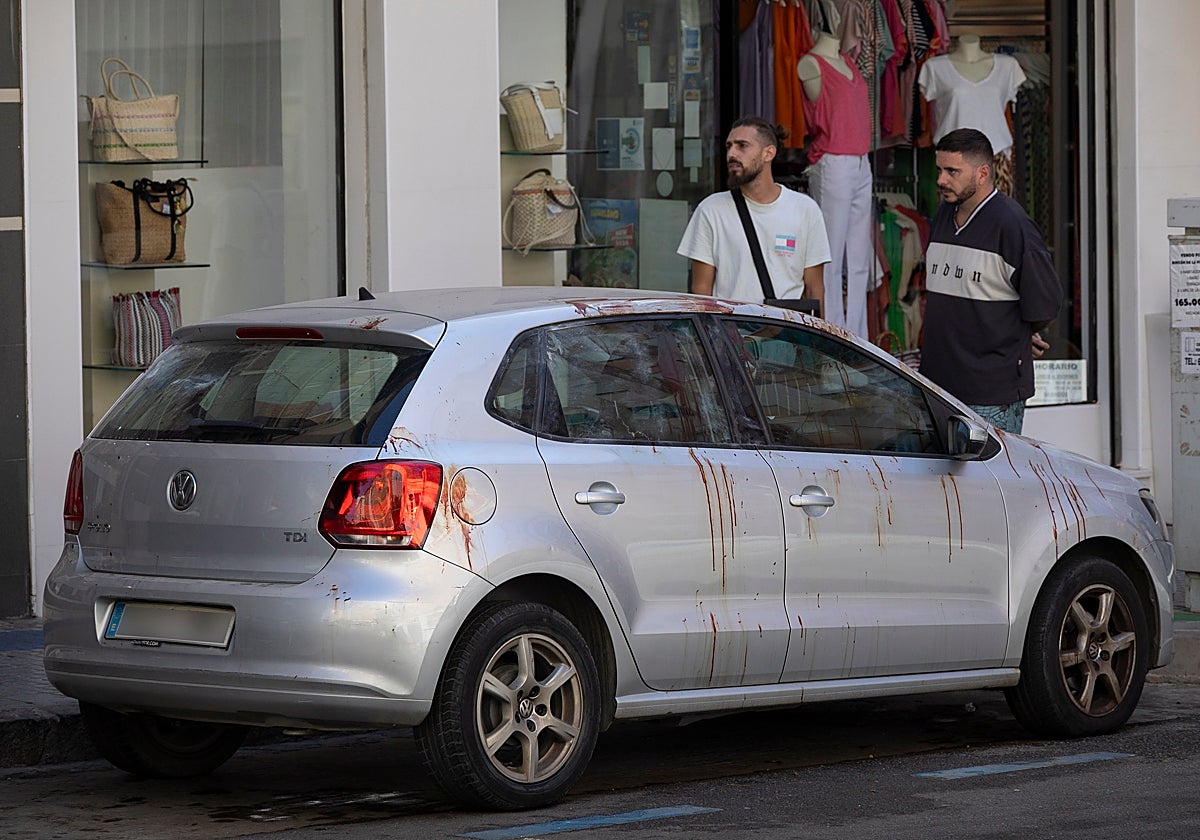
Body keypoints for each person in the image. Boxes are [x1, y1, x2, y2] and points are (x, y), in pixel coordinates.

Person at [918, 128, 1062, 435]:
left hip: (989, 396)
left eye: (952, 171)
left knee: (989, 483)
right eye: (940, 170)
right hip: (936, 386)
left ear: (983, 173)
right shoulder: (944, 214)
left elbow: (1044, 305)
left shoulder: (1012, 226)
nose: (942, 179)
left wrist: (1020, 336)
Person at [677, 116, 829, 307]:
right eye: (729, 146)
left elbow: (815, 290)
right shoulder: (710, 210)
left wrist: (817, 336)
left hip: (784, 334)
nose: (731, 154)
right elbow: (701, 293)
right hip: (729, 332)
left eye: (742, 145)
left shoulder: (806, 210)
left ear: (768, 153)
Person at [797, 31, 873, 338]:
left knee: (858, 257)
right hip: (833, 161)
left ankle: (857, 336)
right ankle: (831, 334)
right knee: (829, 255)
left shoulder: (846, 62)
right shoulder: (810, 64)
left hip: (860, 161)